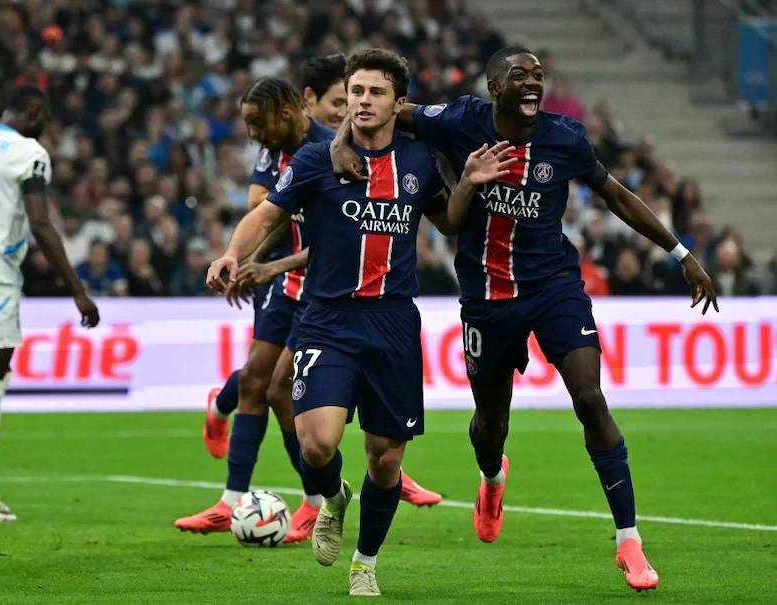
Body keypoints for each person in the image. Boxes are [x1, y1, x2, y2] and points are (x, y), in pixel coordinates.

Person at [330, 46, 719, 592]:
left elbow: (615, 195)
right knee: (491, 425)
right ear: (495, 88)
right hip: (488, 299)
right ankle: (492, 476)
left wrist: (680, 253)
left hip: (554, 287)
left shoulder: (565, 138)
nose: (532, 82)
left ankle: (629, 539)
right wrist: (339, 142)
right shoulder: (460, 121)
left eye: (537, 75)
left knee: (590, 398)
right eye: (519, 75)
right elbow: (386, 110)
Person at [207, 47, 516, 598]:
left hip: (393, 323)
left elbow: (448, 222)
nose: (364, 100)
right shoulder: (315, 159)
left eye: (376, 92)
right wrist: (232, 252)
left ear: (399, 103)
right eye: (356, 91)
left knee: (386, 459)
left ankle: (365, 563)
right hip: (327, 318)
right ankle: (332, 498)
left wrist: (469, 181)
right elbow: (267, 214)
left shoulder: (417, 160)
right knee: (316, 445)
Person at [176, 57, 443, 543]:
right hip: (300, 290)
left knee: (278, 389)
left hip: (331, 289)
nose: (352, 106)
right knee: (264, 384)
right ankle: (269, 493)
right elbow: (265, 211)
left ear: (299, 105)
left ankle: (324, 496)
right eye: (348, 96)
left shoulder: (345, 148)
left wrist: (269, 263)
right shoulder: (291, 152)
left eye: (363, 95)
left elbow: (342, 237)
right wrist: (241, 256)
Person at [0, 85, 99, 522]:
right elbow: (41, 225)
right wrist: (77, 288)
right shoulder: (29, 152)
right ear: (33, 112)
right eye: (44, 118)